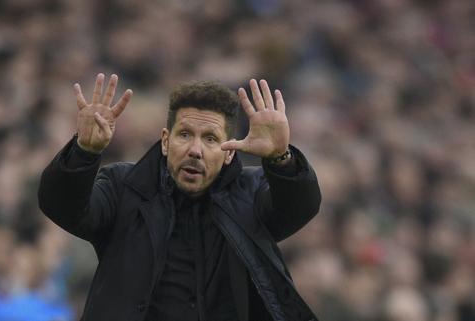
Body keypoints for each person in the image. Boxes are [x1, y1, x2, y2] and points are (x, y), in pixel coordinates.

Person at [38, 73, 322, 321]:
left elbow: (299, 207)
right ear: (165, 141)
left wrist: (281, 159)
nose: (195, 150)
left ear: (230, 152)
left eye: (210, 138)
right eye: (185, 134)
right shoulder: (123, 187)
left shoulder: (252, 193)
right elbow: (63, 207)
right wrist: (83, 151)